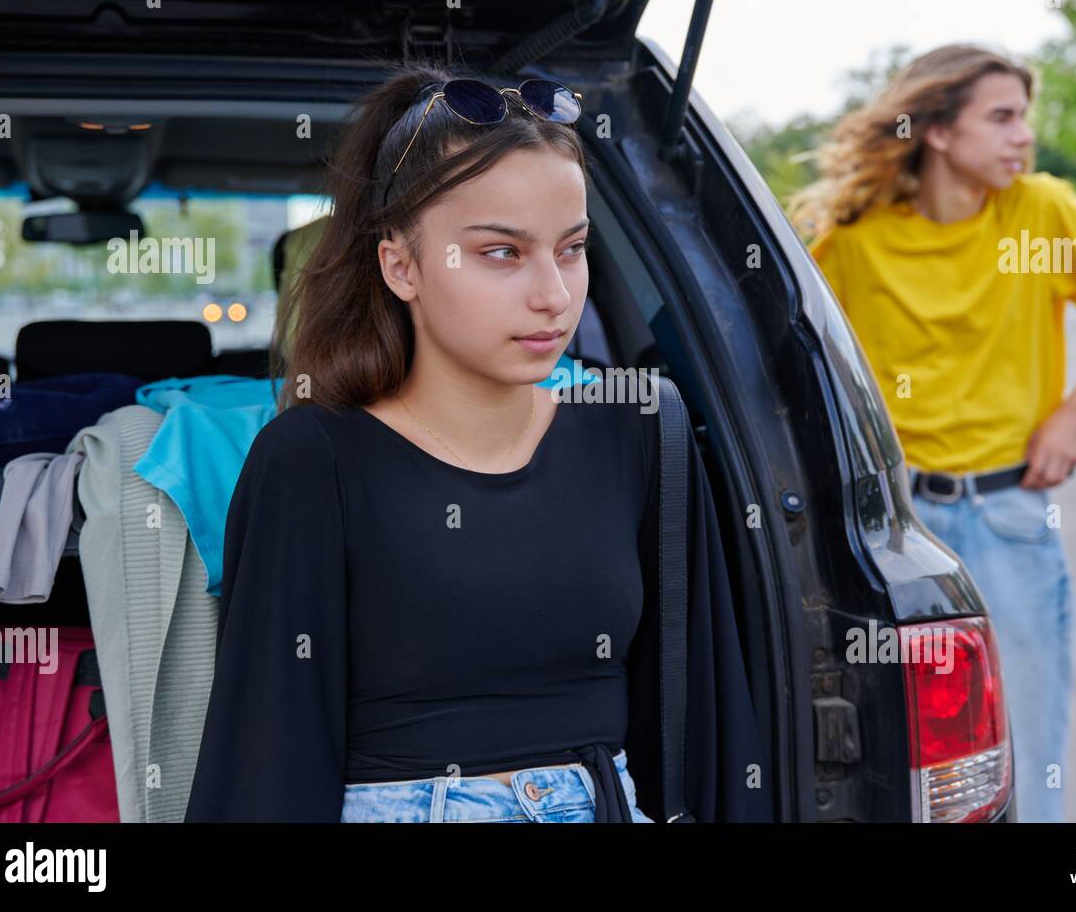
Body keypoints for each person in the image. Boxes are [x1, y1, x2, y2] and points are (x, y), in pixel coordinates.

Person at [183, 62, 771, 823]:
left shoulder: (640, 433)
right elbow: (267, 761)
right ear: (401, 266)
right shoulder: (313, 460)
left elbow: (707, 728)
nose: (553, 296)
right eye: (502, 252)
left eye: (571, 248)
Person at [792, 45, 1076, 822]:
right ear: (938, 131)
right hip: (895, 529)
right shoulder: (855, 240)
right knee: (916, 766)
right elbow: (792, 345)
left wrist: (1075, 413)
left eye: (1024, 117)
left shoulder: (1044, 210)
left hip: (1010, 517)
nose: (1022, 136)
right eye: (1002, 118)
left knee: (1027, 753)